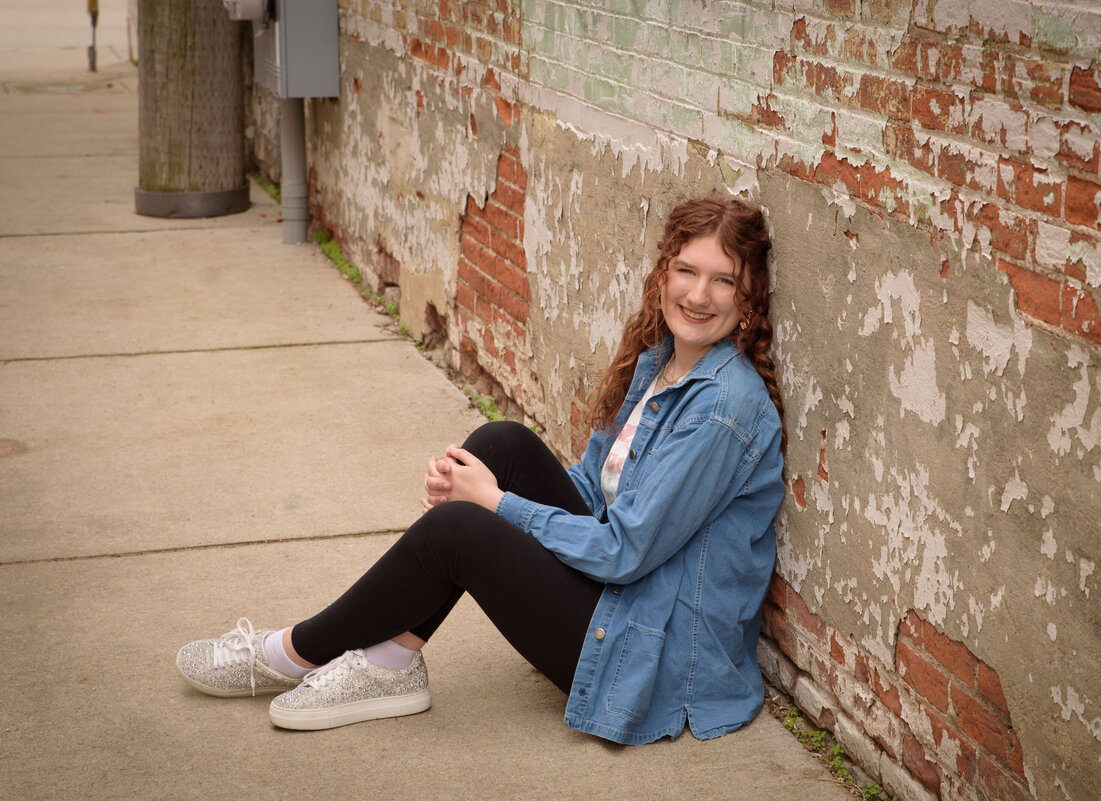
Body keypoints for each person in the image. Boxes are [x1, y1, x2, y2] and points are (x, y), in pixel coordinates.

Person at [176, 195, 787, 745]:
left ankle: (291, 654)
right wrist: (477, 486)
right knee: (502, 443)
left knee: (459, 531)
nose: (698, 295)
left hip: (653, 658)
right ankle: (391, 661)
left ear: (749, 295)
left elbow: (625, 549)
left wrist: (494, 507)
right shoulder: (663, 360)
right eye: (686, 270)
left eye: (723, 281)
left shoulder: (722, 410)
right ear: (663, 273)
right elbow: (593, 491)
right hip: (627, 599)